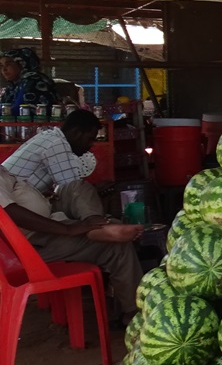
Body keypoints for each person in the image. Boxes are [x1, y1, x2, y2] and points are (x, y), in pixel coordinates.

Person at [1, 109, 143, 325]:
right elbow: (8, 212)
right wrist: (70, 229)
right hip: (30, 244)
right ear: (77, 133)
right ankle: (132, 313)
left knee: (76, 187)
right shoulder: (54, 143)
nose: (91, 145)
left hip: (47, 219)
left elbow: (66, 183)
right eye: (90, 139)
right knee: (117, 247)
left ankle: (98, 227)